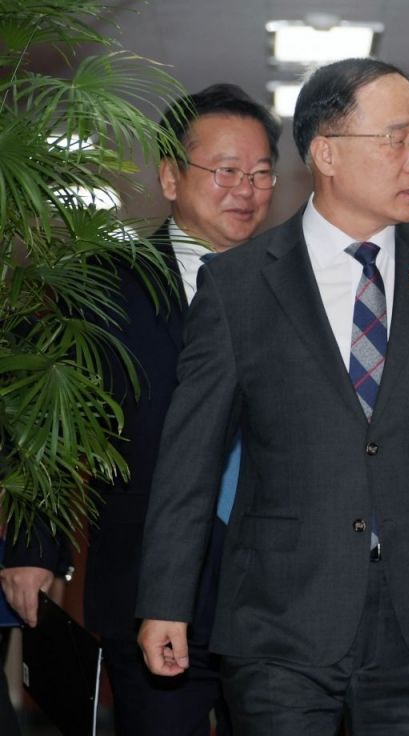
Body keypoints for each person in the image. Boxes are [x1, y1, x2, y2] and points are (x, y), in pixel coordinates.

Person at [134, 58, 409, 736]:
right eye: (396, 138)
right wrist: (165, 599)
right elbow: (189, 459)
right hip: (278, 617)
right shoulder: (238, 285)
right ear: (327, 153)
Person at [1, 82, 282, 736]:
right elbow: (43, 420)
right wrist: (33, 547)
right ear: (170, 177)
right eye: (226, 171)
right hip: (146, 587)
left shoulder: (304, 289)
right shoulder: (103, 285)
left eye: (262, 173)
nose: (246, 189)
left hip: (278, 598)